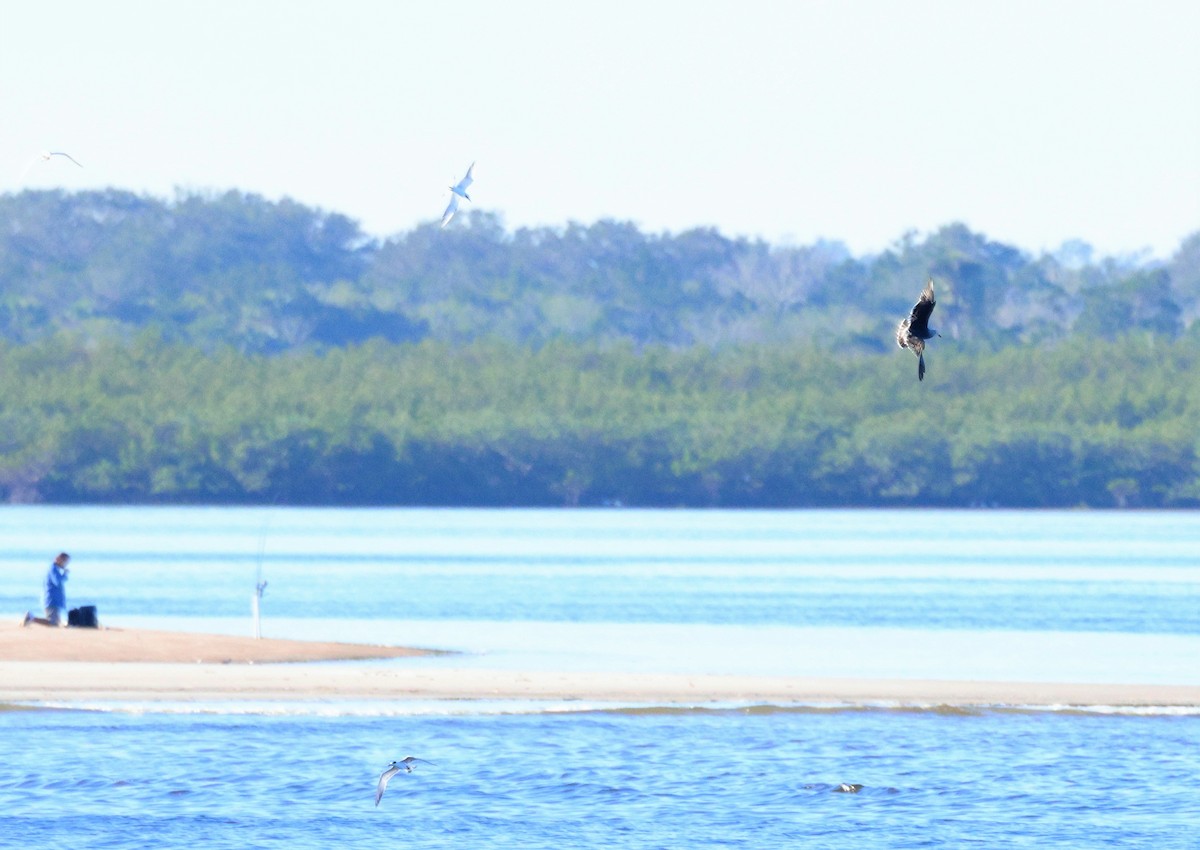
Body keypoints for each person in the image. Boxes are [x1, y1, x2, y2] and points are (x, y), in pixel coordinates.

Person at [22, 553, 71, 627]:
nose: (65, 564)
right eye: (65, 561)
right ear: (59, 559)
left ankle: (31, 618)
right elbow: (58, 581)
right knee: (53, 623)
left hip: (54, 600)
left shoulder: (55, 569)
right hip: (52, 600)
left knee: (55, 622)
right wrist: (65, 574)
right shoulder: (53, 568)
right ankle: (31, 617)